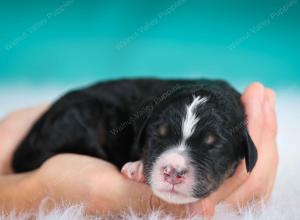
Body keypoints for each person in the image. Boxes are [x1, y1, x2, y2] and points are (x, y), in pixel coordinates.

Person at [0, 83, 278, 218]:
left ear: (245, 153)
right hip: (80, 115)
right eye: (161, 137)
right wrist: (35, 189)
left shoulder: (237, 124)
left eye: (210, 146)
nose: (174, 167)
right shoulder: (144, 114)